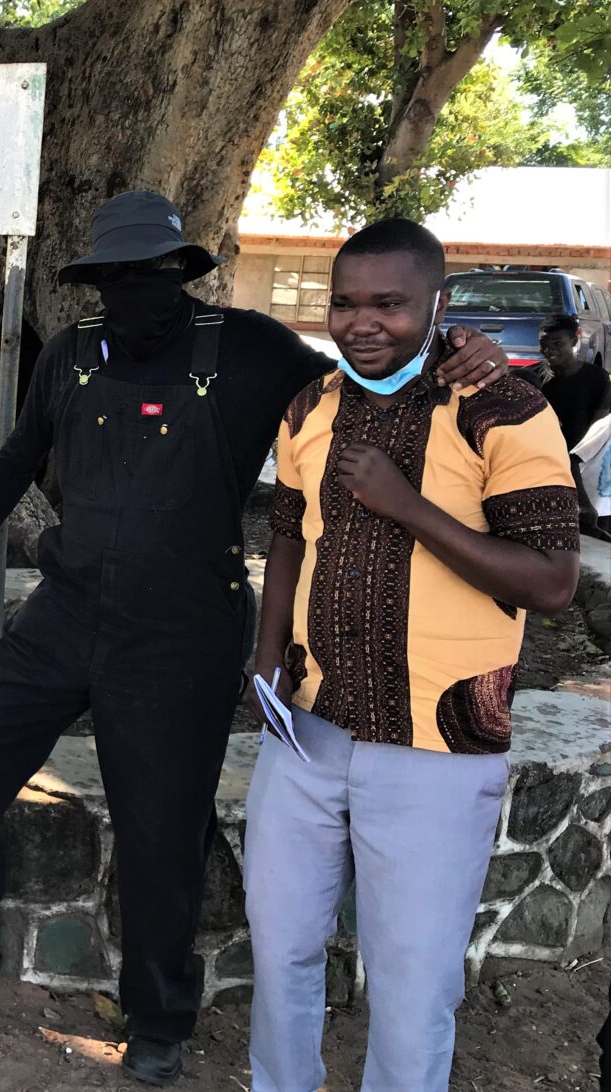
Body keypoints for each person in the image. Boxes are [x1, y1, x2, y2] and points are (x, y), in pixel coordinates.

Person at [0, 190, 511, 1086]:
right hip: (65, 610)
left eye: (152, 273)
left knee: (160, 827)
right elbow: (19, 456)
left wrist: (453, 349)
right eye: (115, 277)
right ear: (93, 280)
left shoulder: (247, 351)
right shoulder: (70, 355)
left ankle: (158, 1015)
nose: (135, 290)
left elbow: (362, 374)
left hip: (181, 634)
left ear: (181, 272)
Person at [245, 218, 580, 1092]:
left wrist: (409, 507)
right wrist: (266, 649)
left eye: (389, 304)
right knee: (279, 949)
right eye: (346, 303)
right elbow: (287, 533)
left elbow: (551, 582)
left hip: (439, 742)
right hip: (310, 729)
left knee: (411, 984)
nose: (363, 323)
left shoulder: (503, 407)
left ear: (437, 305)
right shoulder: (309, 408)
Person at [540, 313, 611, 450]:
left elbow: (600, 427)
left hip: (582, 456)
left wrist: (579, 456)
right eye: (543, 343)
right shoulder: (532, 377)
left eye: (558, 343)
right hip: (543, 455)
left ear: (573, 341)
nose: (549, 349)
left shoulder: (597, 378)